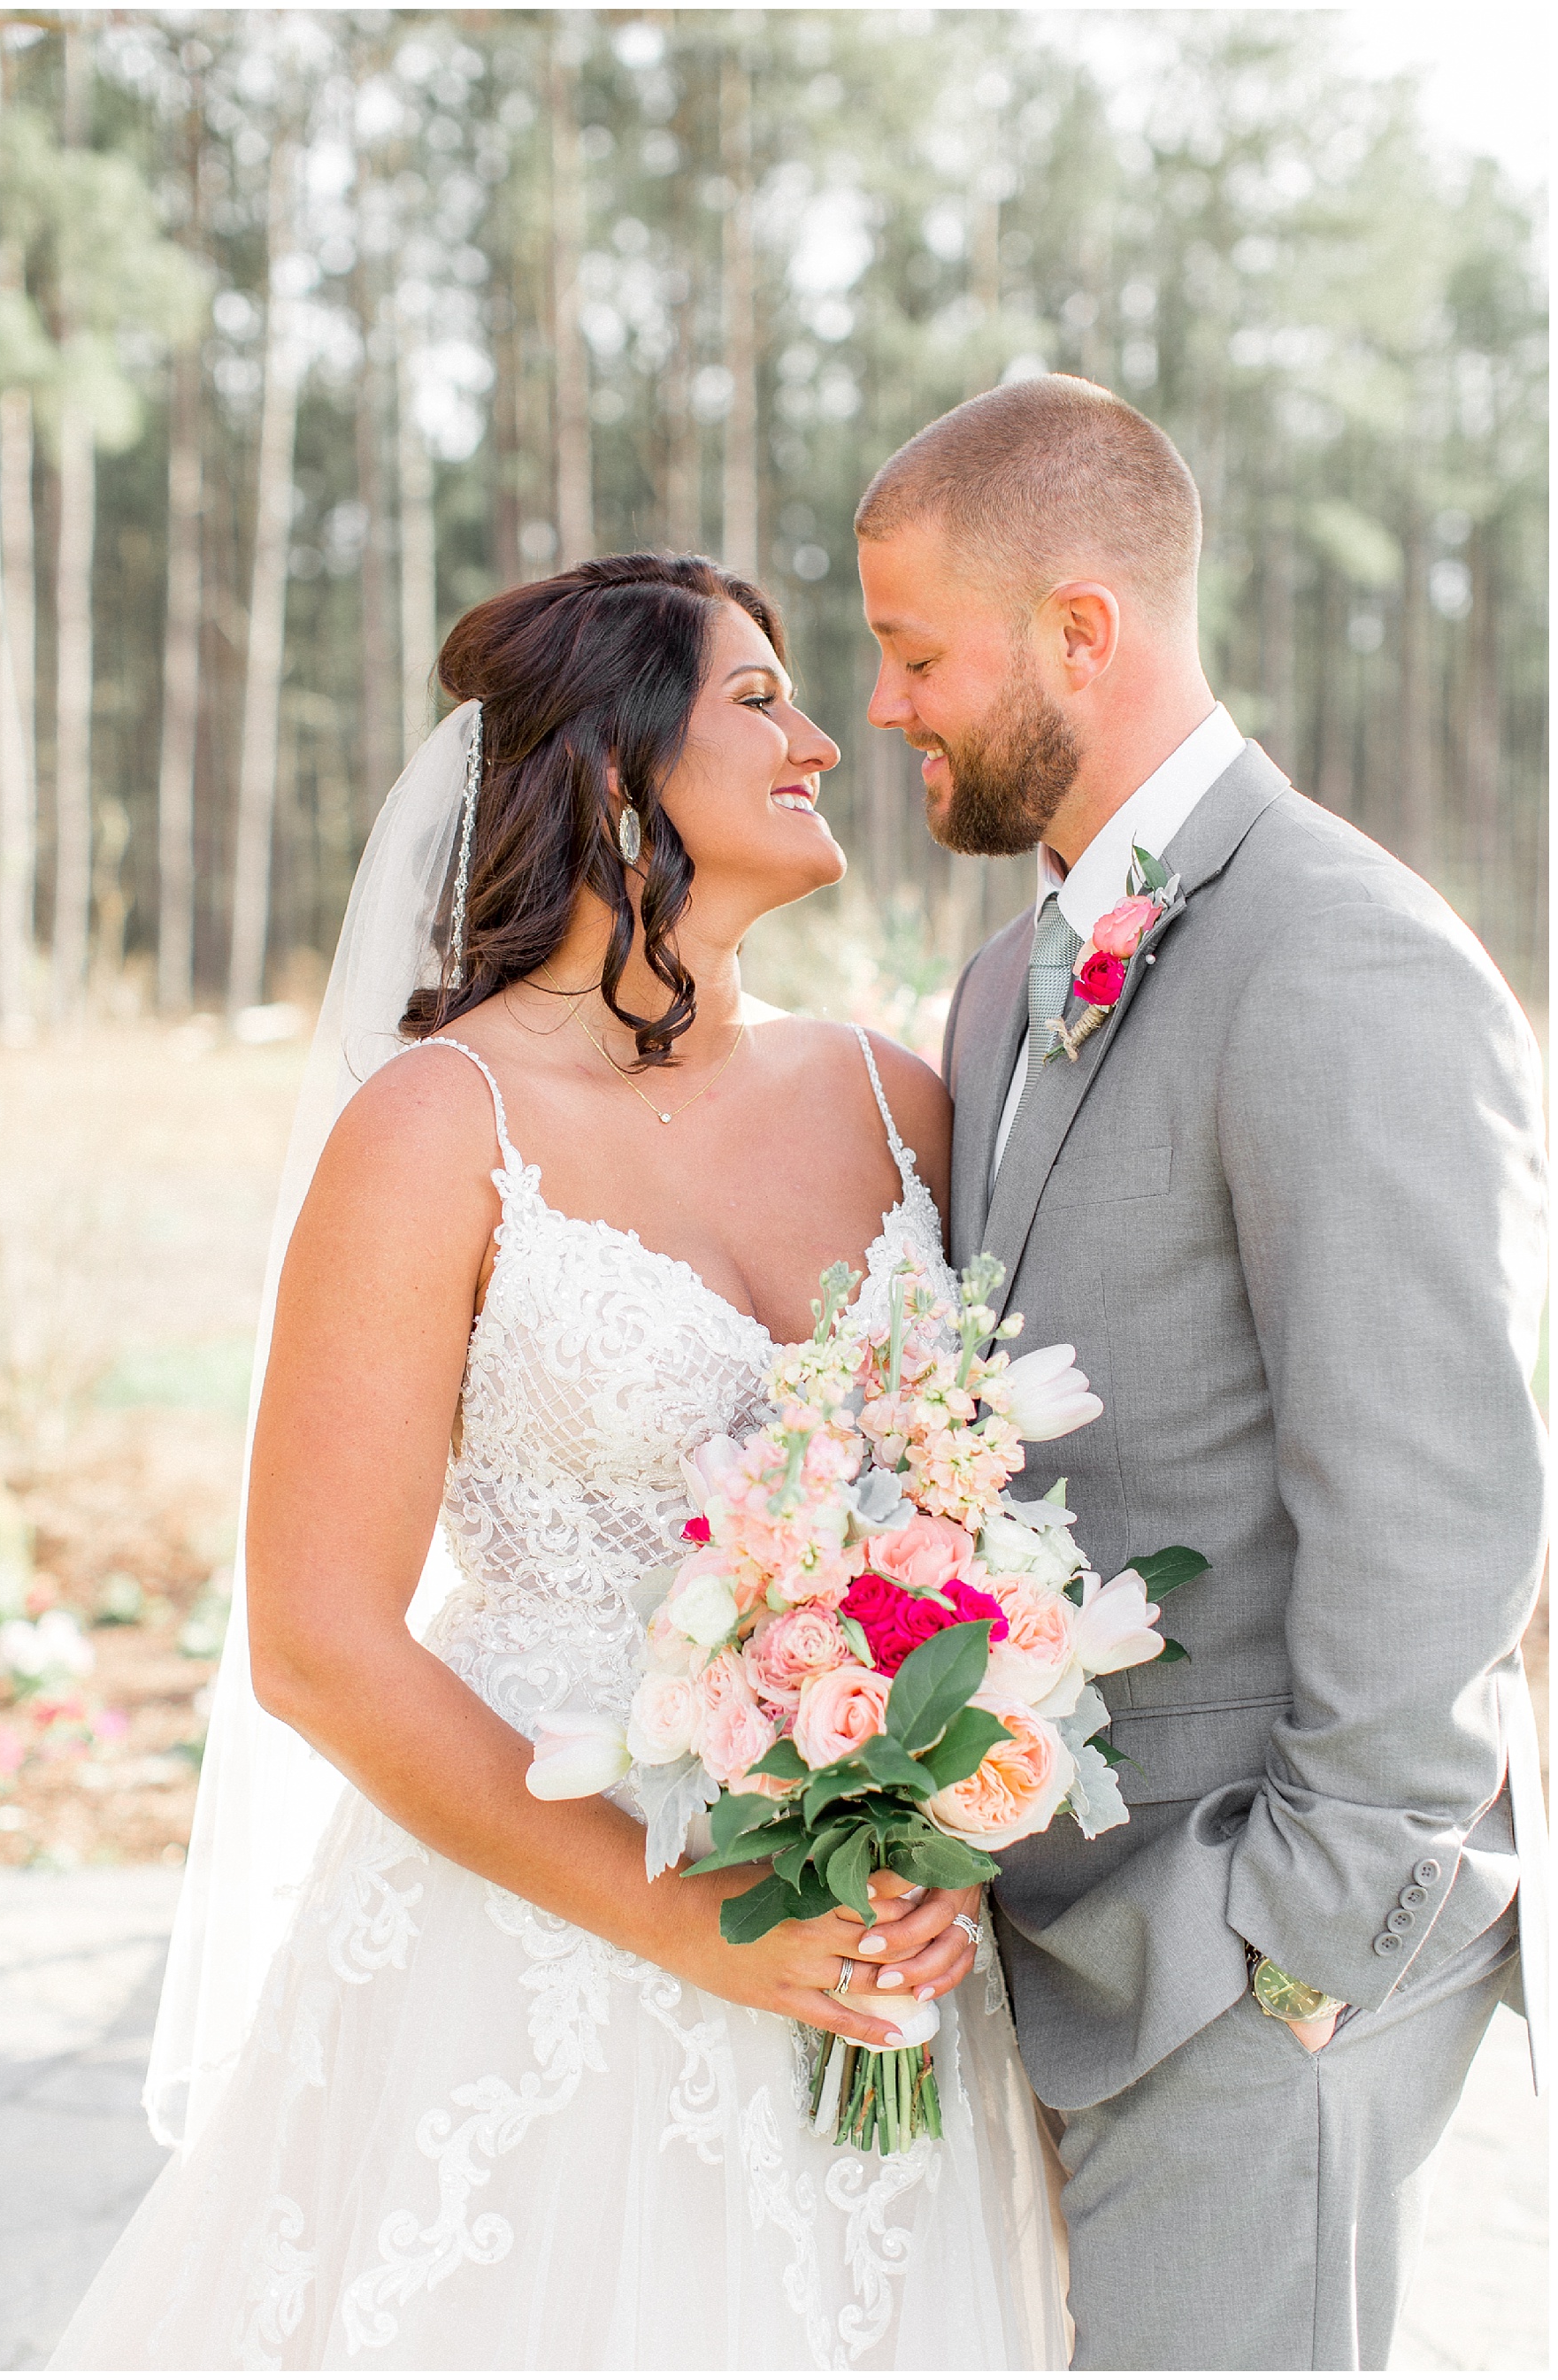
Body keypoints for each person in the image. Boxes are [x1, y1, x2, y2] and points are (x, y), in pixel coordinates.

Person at [49, 554, 1066, 2371]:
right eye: (759, 699)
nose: (824, 738)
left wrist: (954, 1812)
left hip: (878, 1952)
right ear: (611, 773)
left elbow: (982, 1530)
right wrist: (685, 1921)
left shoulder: (896, 1100)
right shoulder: (442, 1130)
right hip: (547, 1952)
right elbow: (320, 1644)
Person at [856, 375, 1548, 2372]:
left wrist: (1299, 1952)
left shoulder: (1347, 959)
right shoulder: (1006, 979)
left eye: (916, 654)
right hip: (1060, 1942)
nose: (884, 706)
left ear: (1086, 631)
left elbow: (1433, 1513)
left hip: (1257, 1969)